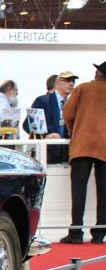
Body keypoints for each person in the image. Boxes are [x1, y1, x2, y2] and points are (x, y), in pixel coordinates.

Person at [60, 61, 106, 244]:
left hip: (83, 144)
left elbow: (67, 113)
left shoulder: (84, 88)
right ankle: (99, 233)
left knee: (78, 190)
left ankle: (76, 232)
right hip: (104, 147)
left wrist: (75, 129)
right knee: (104, 192)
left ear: (97, 73)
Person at [25, 71, 77, 164]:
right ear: (57, 84)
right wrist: (45, 136)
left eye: (73, 81)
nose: (71, 83)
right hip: (47, 153)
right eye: (67, 80)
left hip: (65, 154)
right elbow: (27, 125)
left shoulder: (72, 103)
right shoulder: (43, 101)